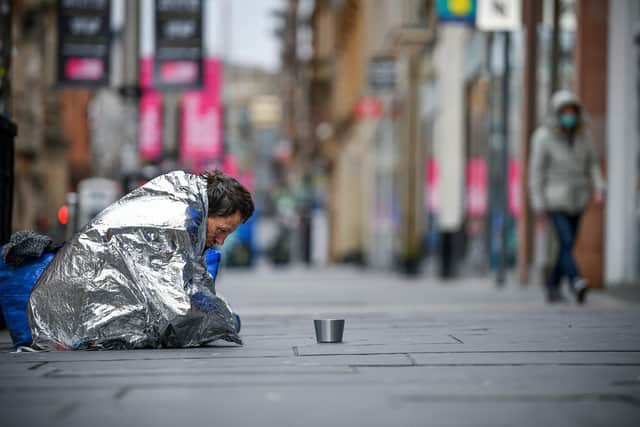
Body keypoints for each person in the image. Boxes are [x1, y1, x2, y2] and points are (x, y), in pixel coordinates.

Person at [27, 169, 254, 350]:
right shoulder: (176, 223)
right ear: (209, 211)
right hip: (65, 317)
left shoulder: (185, 209)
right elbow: (174, 315)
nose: (221, 241)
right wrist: (223, 321)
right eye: (222, 229)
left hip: (63, 304)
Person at [528, 90, 605, 304]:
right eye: (565, 112)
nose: (569, 116)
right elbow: (536, 173)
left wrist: (599, 187)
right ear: (556, 113)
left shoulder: (584, 136)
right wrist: (538, 204)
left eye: (572, 111)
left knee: (566, 245)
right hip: (554, 198)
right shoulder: (542, 138)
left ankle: (552, 285)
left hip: (579, 198)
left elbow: (592, 164)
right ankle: (576, 281)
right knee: (566, 240)